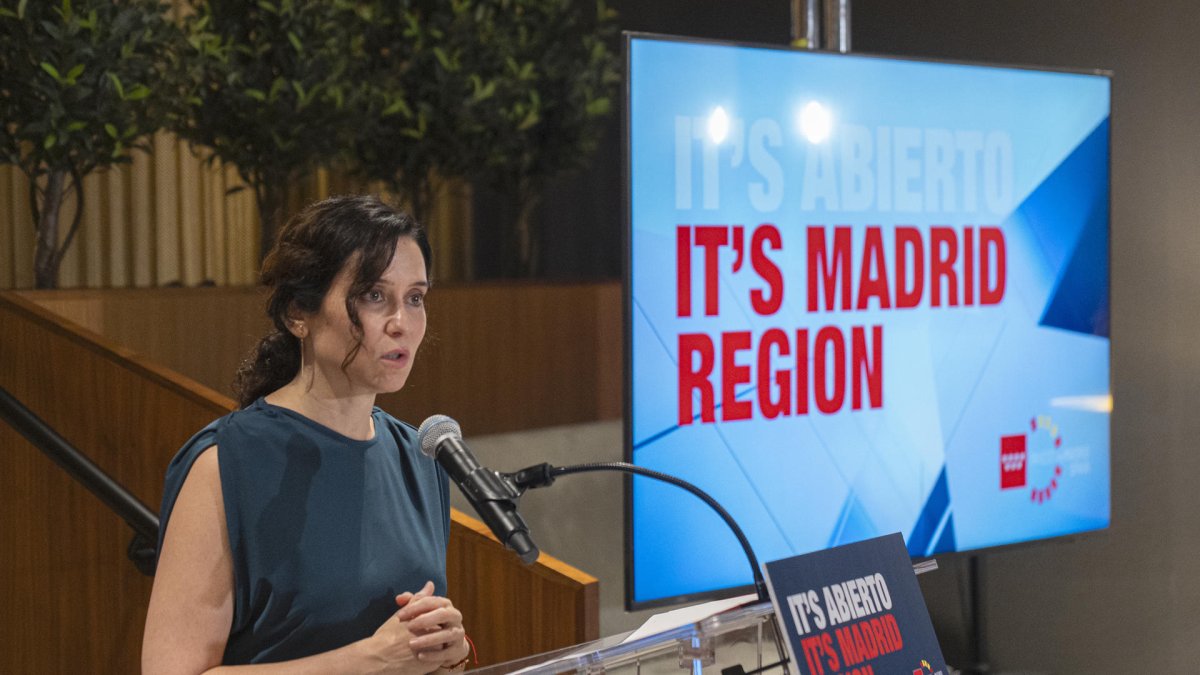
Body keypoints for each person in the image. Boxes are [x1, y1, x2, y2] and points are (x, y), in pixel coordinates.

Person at [143, 195, 471, 674]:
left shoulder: (419, 456)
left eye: (415, 298)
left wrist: (447, 654)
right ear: (299, 311)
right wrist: (369, 661)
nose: (402, 323)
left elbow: (409, 655)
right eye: (373, 295)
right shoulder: (225, 464)